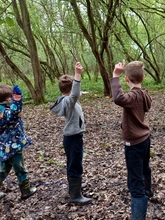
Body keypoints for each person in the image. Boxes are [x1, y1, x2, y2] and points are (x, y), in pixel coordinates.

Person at [110, 60, 152, 220]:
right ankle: (148, 190)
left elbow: (118, 98)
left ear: (126, 79)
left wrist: (115, 76)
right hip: (145, 139)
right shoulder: (144, 94)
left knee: (135, 181)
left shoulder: (133, 95)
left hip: (134, 143)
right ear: (144, 77)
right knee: (144, 167)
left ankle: (138, 215)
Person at [50, 62, 92, 205]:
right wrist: (77, 74)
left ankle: (76, 186)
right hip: (72, 138)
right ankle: (75, 195)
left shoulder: (66, 99)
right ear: (71, 89)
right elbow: (73, 96)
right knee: (74, 165)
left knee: (75, 163)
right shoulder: (69, 101)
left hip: (74, 137)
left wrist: (81, 93)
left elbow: (73, 95)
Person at [0, 84, 37, 203]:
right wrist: (17, 100)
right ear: (8, 99)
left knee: (2, 170)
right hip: (11, 147)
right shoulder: (2, 113)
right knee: (20, 168)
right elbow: (14, 114)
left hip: (5, 146)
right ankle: (25, 191)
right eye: (11, 97)